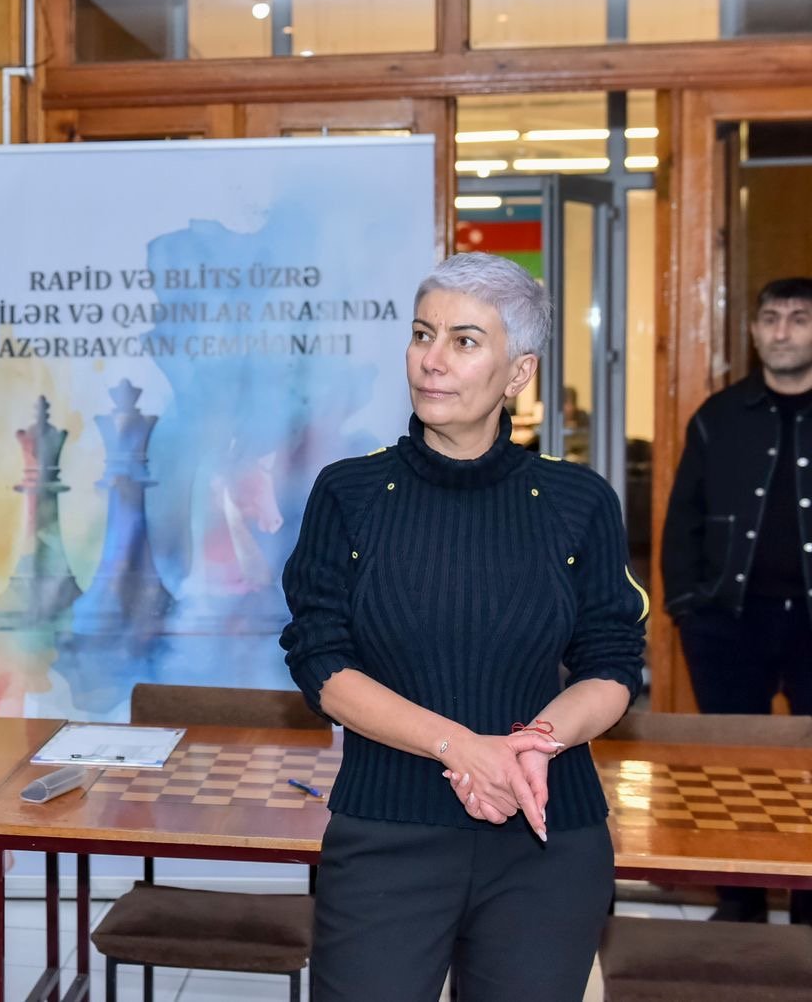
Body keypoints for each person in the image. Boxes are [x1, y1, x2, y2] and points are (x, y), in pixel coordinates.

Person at [280, 252, 647, 1002]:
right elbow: (321, 662)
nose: (432, 360)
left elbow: (613, 663)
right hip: (385, 834)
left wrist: (531, 747)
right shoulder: (350, 493)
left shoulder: (577, 501)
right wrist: (463, 749)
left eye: (465, 341)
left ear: (519, 373)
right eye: (423, 334)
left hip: (546, 837)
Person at [661, 275, 812, 925]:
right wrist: (687, 607)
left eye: (799, 318)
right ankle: (740, 900)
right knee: (730, 769)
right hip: (729, 623)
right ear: (753, 331)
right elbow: (682, 520)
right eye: (771, 318)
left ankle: (808, 906)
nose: (782, 331)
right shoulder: (718, 417)